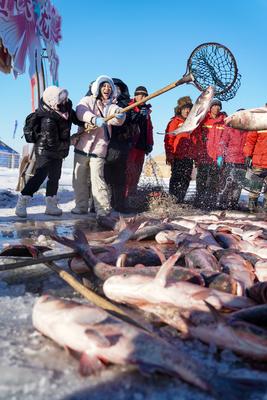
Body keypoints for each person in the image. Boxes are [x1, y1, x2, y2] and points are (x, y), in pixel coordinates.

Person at [15, 86, 83, 218]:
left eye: (65, 98)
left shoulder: (66, 108)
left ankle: (51, 204)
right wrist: (71, 141)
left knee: (55, 177)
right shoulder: (48, 119)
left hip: (58, 150)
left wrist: (88, 122)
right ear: (52, 101)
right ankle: (22, 201)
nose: (64, 102)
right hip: (45, 150)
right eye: (61, 99)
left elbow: (75, 119)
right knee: (40, 176)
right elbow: (53, 143)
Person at [72, 75, 125, 217]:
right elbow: (80, 111)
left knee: (98, 180)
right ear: (98, 87)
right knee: (79, 179)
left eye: (109, 87)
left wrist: (120, 116)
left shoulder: (111, 106)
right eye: (104, 86)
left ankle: (103, 209)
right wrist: (93, 119)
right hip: (82, 147)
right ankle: (81, 206)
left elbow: (116, 116)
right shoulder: (87, 100)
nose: (106, 89)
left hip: (99, 149)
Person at [104, 78, 135, 212]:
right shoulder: (103, 103)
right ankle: (100, 205)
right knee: (104, 177)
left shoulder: (126, 105)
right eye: (113, 87)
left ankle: (119, 204)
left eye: (118, 88)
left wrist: (135, 116)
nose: (115, 90)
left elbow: (130, 120)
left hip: (121, 145)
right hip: (105, 145)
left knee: (119, 177)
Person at [194, 99, 226, 210]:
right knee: (201, 181)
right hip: (204, 156)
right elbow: (197, 137)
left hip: (217, 158)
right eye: (214, 106)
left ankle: (211, 203)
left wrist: (221, 155)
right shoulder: (203, 120)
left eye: (218, 106)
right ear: (210, 108)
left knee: (214, 182)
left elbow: (225, 140)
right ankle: (198, 202)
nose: (216, 108)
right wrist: (197, 154)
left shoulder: (224, 121)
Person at [124, 86, 153, 205]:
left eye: (145, 95)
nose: (142, 97)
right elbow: (129, 122)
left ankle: (131, 196)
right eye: (140, 94)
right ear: (135, 96)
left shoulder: (147, 111)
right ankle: (124, 198)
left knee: (136, 173)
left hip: (141, 146)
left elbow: (149, 129)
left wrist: (150, 143)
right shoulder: (129, 107)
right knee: (128, 173)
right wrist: (138, 115)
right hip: (131, 146)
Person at [164, 96, 194, 203]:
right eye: (185, 108)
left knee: (186, 178)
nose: (187, 110)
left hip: (189, 156)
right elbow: (169, 139)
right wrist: (169, 155)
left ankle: (180, 199)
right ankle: (173, 200)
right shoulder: (174, 122)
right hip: (177, 156)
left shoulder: (193, 122)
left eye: (189, 108)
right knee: (176, 178)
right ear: (180, 109)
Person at [216, 109, 248, 209]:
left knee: (238, 185)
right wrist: (220, 156)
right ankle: (222, 204)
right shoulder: (229, 128)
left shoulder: (248, 129)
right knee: (226, 184)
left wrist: (249, 157)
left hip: (242, 162)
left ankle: (233, 204)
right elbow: (223, 143)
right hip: (229, 161)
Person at [243, 129, 267, 212]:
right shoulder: (259, 124)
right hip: (258, 162)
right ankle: (252, 208)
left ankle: (265, 211)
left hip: (259, 161)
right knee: (255, 187)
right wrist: (247, 155)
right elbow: (250, 141)